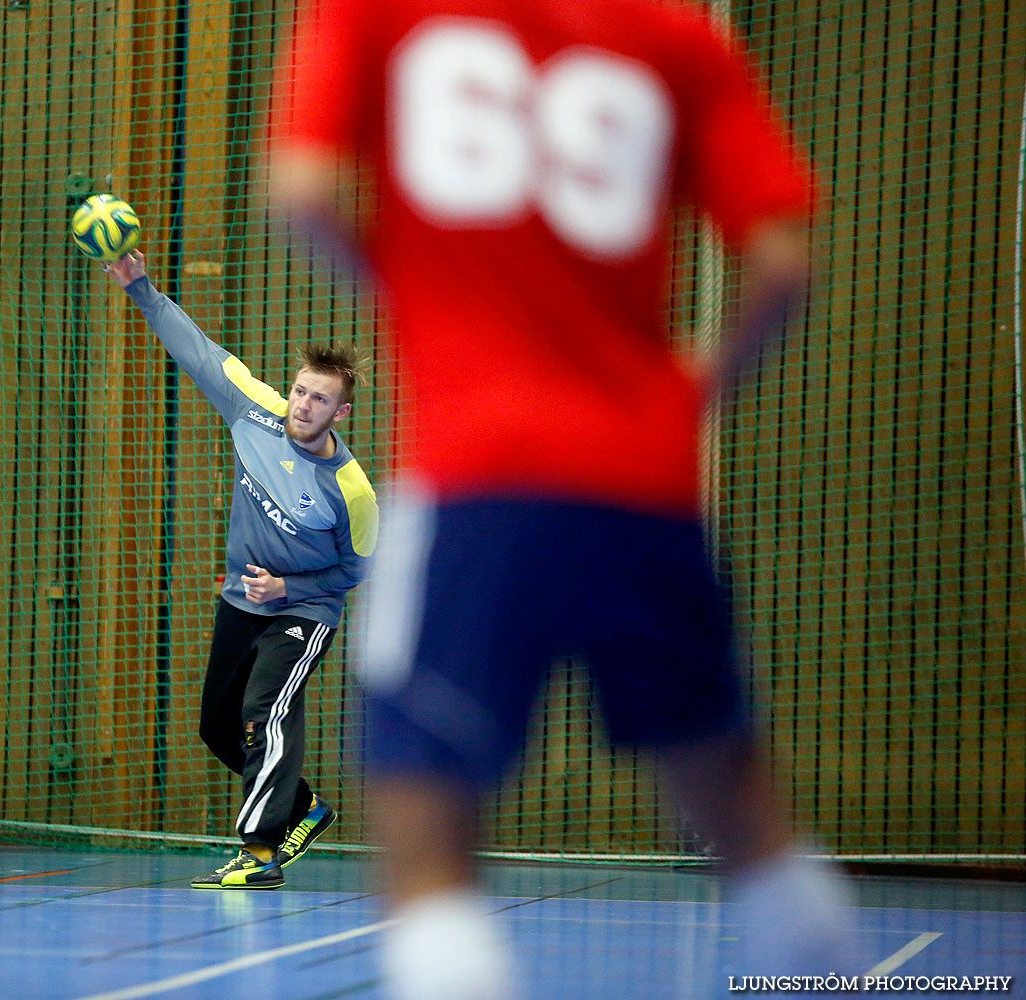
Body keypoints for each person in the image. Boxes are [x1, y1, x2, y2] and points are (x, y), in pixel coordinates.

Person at [268, 0, 854, 995]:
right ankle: (830, 959)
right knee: (740, 809)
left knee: (424, 827)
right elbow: (785, 262)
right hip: (647, 482)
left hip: (476, 475)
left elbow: (301, 191)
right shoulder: (679, 37)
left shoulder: (378, 12)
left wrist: (416, 292)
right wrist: (688, 396)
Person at [101, 248, 378, 889]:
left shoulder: (352, 490)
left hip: (304, 613)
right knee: (217, 726)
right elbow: (196, 350)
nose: (303, 405)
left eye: (320, 400)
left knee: (265, 712)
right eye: (302, 390)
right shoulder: (255, 410)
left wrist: (292, 587)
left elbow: (359, 572)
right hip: (241, 599)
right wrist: (140, 286)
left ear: (342, 414)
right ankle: (305, 806)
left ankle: (259, 856)